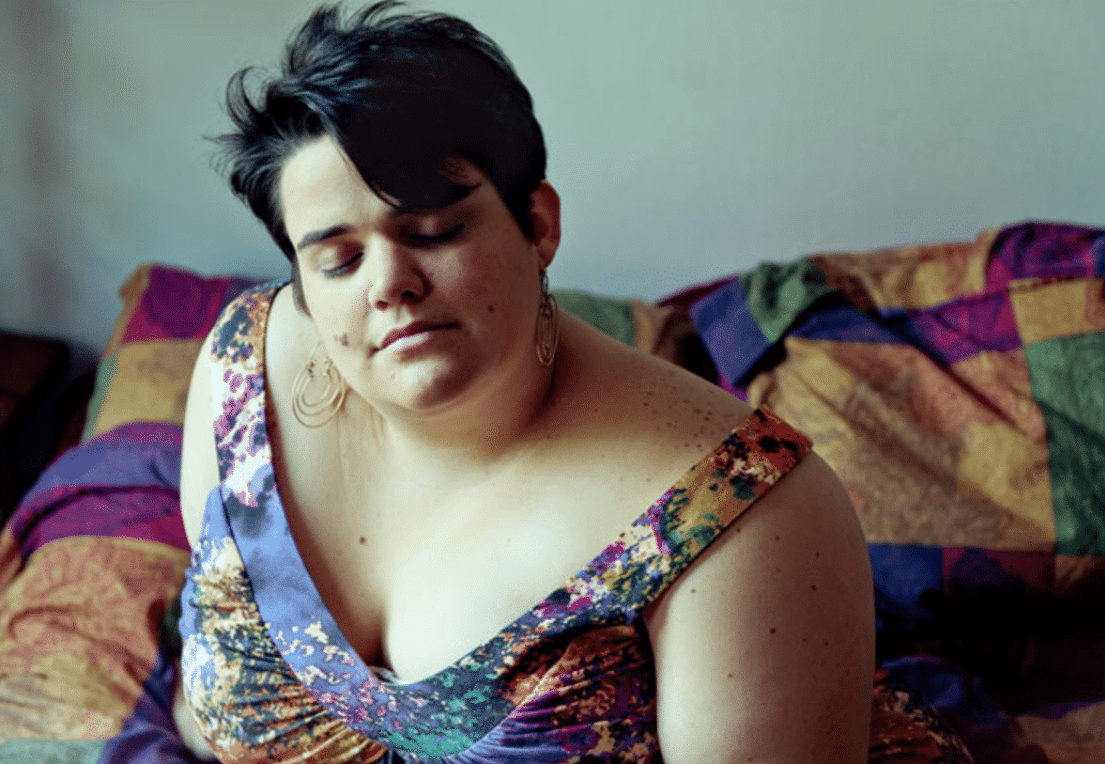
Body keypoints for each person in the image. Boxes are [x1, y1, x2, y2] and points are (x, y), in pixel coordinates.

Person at [176, 2, 875, 762]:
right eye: (338, 261)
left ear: (539, 224)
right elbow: (210, 700)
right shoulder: (242, 379)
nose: (389, 284)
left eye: (433, 231)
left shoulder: (742, 514)